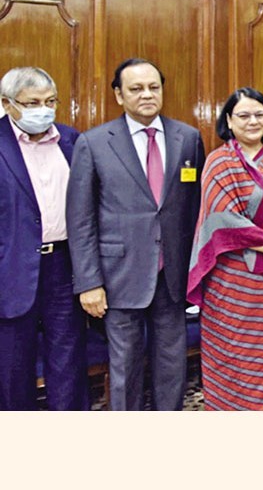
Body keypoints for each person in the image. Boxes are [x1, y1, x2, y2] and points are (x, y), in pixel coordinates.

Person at [66, 57, 205, 410]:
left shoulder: (188, 138)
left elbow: (195, 210)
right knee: (125, 367)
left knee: (172, 364)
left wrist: (196, 270)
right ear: (118, 95)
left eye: (153, 87)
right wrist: (88, 282)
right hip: (118, 276)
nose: (147, 95)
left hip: (172, 274)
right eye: (136, 89)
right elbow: (80, 219)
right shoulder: (94, 143)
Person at [186, 88, 263, 410]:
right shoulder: (219, 161)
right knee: (236, 357)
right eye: (244, 115)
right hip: (233, 283)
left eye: (259, 114)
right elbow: (222, 219)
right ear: (228, 120)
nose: (253, 121)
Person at [0, 67, 88, 410]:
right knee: (12, 369)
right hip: (11, 270)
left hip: (63, 266)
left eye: (50, 101)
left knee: (67, 363)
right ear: (8, 104)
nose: (44, 109)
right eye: (33, 102)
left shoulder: (71, 141)